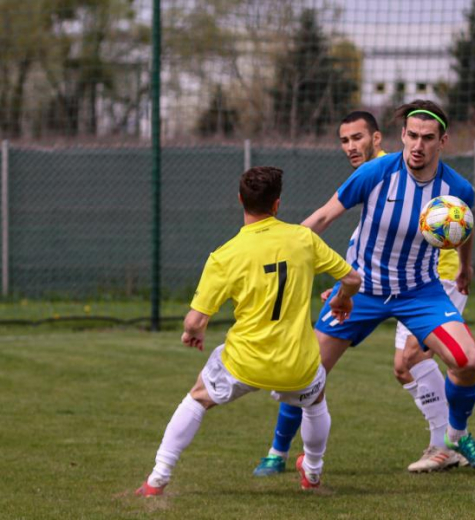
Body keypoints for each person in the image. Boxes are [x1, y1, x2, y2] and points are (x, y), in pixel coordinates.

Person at [254, 110, 470, 476]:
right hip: (366, 286)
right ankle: (278, 451)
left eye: (358, 138)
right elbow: (345, 229)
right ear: (403, 135)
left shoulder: (436, 182)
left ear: (378, 138)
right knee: (309, 367)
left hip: (426, 285)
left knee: (412, 362)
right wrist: (336, 279)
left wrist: (464, 268)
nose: (351, 146)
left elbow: (461, 222)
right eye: (344, 140)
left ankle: (449, 440)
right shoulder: (373, 177)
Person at [135, 166, 362, 496]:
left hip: (244, 361)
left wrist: (193, 332)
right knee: (315, 400)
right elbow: (352, 280)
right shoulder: (304, 239)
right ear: (277, 204)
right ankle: (312, 473)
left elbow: (195, 321)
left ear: (241, 199)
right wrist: (342, 300)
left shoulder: (226, 255)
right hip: (296, 364)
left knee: (198, 397)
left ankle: (158, 478)